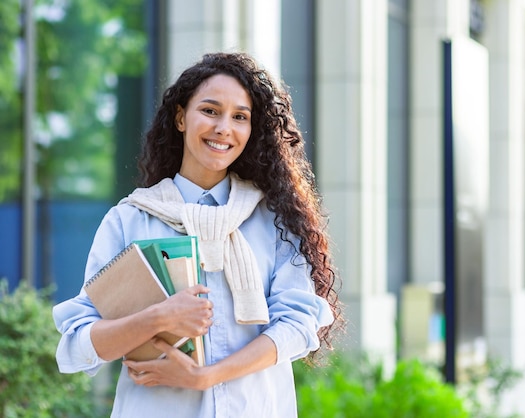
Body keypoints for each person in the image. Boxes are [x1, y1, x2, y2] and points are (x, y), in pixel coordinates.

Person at [53, 51, 341, 418]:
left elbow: (298, 326)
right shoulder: (130, 220)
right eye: (209, 110)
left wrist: (205, 377)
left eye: (240, 117)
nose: (224, 127)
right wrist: (158, 317)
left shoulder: (273, 221)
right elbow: (78, 344)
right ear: (180, 118)